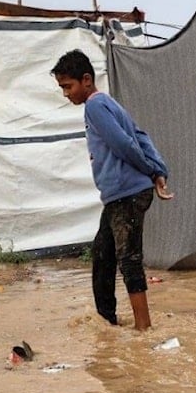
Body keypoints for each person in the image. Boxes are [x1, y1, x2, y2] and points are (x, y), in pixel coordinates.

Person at [51, 49, 172, 330]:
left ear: (86, 80)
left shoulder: (95, 106)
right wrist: (158, 171)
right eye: (62, 88)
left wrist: (152, 171)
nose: (66, 94)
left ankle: (143, 328)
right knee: (103, 255)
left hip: (126, 193)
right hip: (120, 195)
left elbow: (124, 144)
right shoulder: (108, 103)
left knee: (128, 258)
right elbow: (140, 136)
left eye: (68, 86)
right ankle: (108, 324)